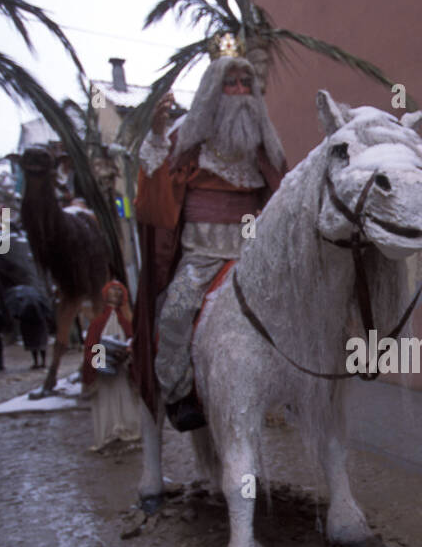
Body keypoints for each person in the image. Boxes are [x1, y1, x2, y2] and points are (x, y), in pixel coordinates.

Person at [132, 41, 287, 433]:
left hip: (253, 254)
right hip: (200, 256)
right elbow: (155, 201)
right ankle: (181, 395)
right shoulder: (186, 145)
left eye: (243, 83)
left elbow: (281, 197)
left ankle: (293, 385)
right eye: (229, 83)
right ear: (211, 92)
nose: (238, 91)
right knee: (175, 313)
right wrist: (155, 135)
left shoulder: (265, 146)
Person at [81, 280, 141, 453]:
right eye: (112, 290)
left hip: (122, 371)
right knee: (106, 399)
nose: (116, 293)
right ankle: (108, 432)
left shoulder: (126, 321)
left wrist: (126, 354)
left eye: (119, 290)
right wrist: (103, 361)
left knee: (126, 397)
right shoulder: (98, 323)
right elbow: (92, 345)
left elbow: (133, 341)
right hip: (104, 372)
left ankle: (128, 428)